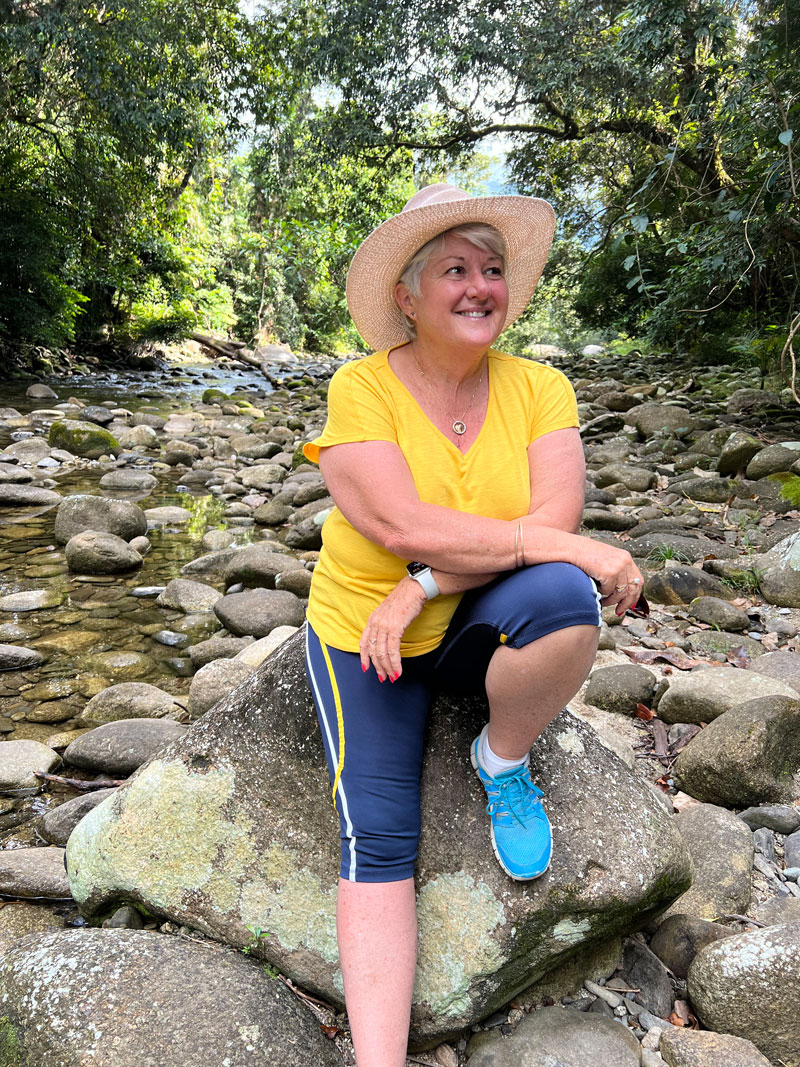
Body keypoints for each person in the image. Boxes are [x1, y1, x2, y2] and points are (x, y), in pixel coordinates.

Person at [302, 183, 643, 1066]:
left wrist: (419, 586)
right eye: (454, 268)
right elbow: (397, 520)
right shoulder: (362, 387)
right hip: (361, 634)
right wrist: (426, 565)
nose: (479, 286)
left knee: (566, 595)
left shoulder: (540, 388)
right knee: (379, 834)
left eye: (492, 269)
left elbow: (554, 534)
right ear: (408, 297)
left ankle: (501, 755)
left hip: (469, 625)